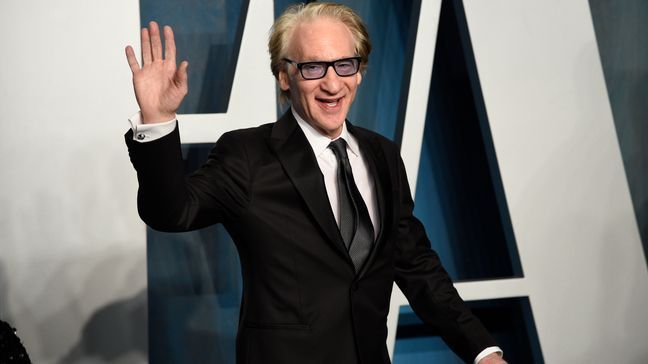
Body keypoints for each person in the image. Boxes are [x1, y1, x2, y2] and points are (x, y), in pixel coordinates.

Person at [124, 3, 506, 364]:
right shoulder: (247, 154)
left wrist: (481, 349)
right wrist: (157, 120)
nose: (332, 83)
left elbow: (416, 264)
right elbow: (171, 212)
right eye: (313, 68)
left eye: (344, 65)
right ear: (284, 76)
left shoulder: (382, 154)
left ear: (360, 71)